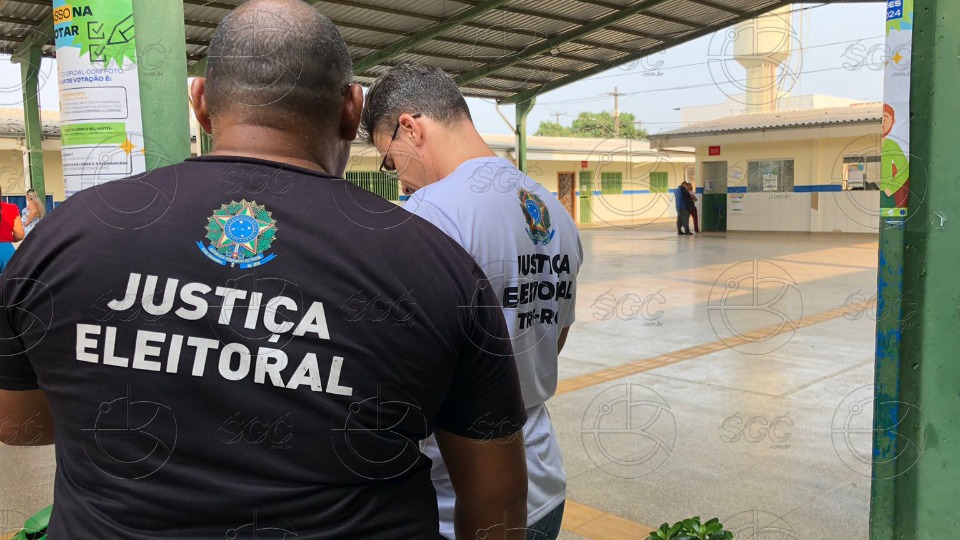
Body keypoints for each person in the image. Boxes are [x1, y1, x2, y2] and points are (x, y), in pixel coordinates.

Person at [0, 2, 529, 538]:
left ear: (201, 103)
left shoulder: (69, 236)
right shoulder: (435, 265)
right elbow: (496, 489)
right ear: (351, 109)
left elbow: (15, 422)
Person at [362, 62, 582, 540]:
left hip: (455, 502)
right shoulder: (552, 208)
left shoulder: (429, 214)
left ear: (410, 127)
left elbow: (397, 368)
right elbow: (553, 337)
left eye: (389, 159)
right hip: (541, 485)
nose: (397, 179)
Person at [0, 188, 25, 273]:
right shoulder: (11, 208)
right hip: (7, 252)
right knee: (9, 284)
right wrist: (7, 238)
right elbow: (20, 235)